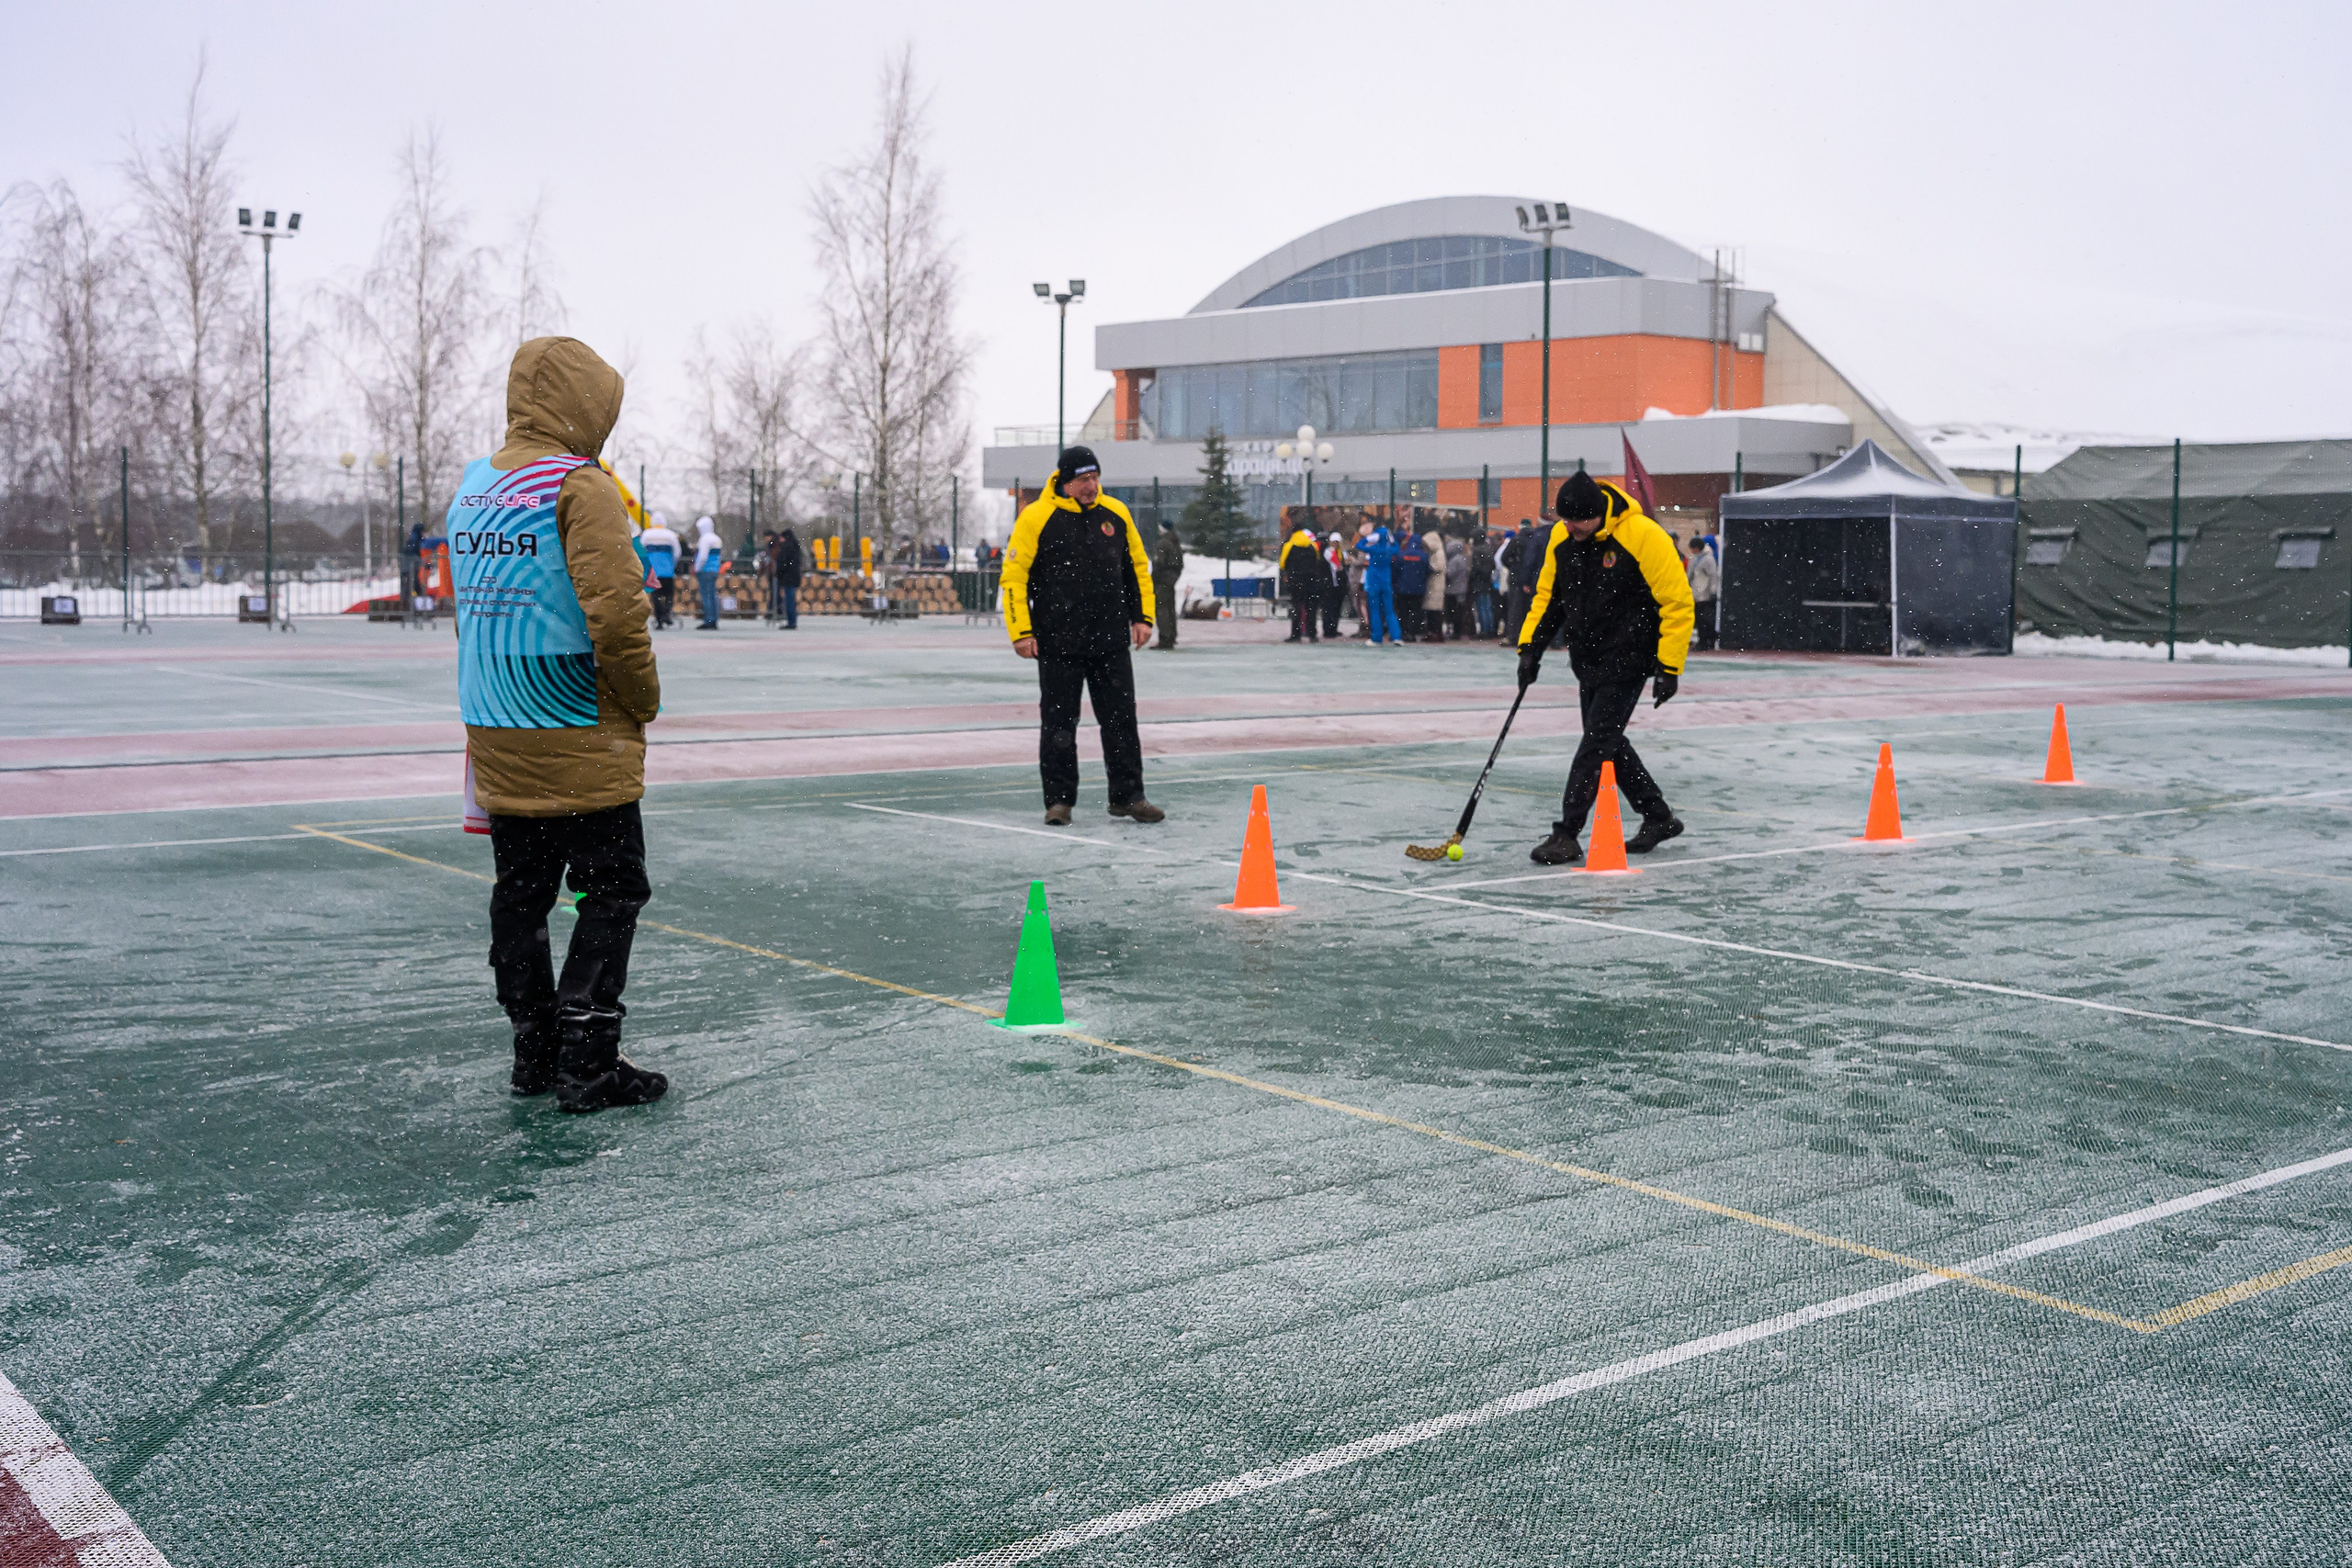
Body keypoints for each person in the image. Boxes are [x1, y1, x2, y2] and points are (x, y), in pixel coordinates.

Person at [449, 336, 666, 1114]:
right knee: (612, 887)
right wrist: (642, 697)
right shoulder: (582, 486)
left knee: (522, 891)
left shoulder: (475, 485)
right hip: (576, 723)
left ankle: (534, 1050)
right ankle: (589, 1058)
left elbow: (469, 612)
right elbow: (616, 615)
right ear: (586, 405)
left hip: (496, 722)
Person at [1516, 471, 1695, 865]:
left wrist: (1669, 667)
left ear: (1598, 513)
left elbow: (1677, 603)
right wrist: (1530, 649)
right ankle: (1658, 816)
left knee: (1596, 744)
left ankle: (1567, 833)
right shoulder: (1563, 538)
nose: (1570, 528)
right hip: (1588, 657)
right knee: (1606, 741)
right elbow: (1549, 598)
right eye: (1565, 520)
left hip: (1630, 656)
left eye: (1578, 521)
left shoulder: (1643, 536)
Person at [1002, 446, 1164, 826]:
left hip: (1110, 641)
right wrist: (1021, 632)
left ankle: (1128, 796)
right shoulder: (1036, 517)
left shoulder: (1116, 513)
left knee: (1121, 721)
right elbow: (1014, 579)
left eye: (1095, 477)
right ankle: (1059, 802)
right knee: (1059, 726)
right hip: (1058, 643)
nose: (1092, 486)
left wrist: (1143, 618)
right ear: (1065, 481)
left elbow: (1136, 569)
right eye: (1083, 479)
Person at [1356, 519, 1400, 646]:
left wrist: (1368, 538)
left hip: (1373, 582)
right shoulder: (1389, 550)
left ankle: (1377, 638)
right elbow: (1397, 548)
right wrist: (1392, 540)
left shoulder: (1374, 549)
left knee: (1375, 611)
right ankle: (1396, 636)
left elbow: (1359, 545)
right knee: (1389, 611)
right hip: (1386, 582)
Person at [1279, 518, 1322, 643]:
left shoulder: (1289, 546)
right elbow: (1317, 561)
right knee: (1311, 608)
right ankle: (1312, 634)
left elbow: (1282, 563)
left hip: (1296, 581)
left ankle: (1296, 634)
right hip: (1311, 580)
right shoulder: (1312, 545)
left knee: (1297, 607)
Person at [639, 513, 681, 628]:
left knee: (656, 596)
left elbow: (641, 551)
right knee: (669, 594)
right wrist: (672, 564)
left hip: (653, 572)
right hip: (667, 570)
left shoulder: (647, 535)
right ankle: (666, 613)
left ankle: (659, 620)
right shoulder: (670, 535)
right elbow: (677, 552)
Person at [1149, 519, 1184, 649]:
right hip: (1171, 580)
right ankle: (1171, 636)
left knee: (1162, 609)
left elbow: (1158, 563)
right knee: (1170, 608)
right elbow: (1179, 563)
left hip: (1162, 581)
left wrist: (1154, 578)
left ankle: (1165, 638)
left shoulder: (1162, 544)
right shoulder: (1175, 542)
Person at [1395, 526, 1428, 641]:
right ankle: (1413, 632)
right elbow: (1427, 570)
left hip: (1402, 588)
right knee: (1416, 611)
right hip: (1418, 589)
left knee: (1403, 611)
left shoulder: (1402, 555)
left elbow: (1396, 570)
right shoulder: (1423, 556)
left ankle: (1404, 632)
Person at [691, 515, 724, 629]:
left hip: (705, 570)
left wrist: (697, 568)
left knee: (706, 596)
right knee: (712, 595)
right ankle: (714, 618)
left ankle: (709, 620)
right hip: (714, 570)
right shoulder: (716, 539)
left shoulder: (705, 539)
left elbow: (703, 557)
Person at [1690, 531, 1720, 651]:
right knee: (1700, 619)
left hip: (1704, 594)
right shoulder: (1695, 558)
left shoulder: (1708, 559)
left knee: (1703, 620)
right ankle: (1706, 640)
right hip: (1696, 593)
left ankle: (1705, 641)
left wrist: (1713, 591)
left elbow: (1713, 576)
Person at [771, 525, 803, 629]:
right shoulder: (795, 547)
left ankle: (791, 622)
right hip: (794, 577)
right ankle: (792, 621)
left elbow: (782, 563)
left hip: (788, 578)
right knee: (791, 601)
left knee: (789, 601)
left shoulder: (786, 548)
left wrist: (778, 574)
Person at [1470, 528, 1499, 639]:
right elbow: (1493, 565)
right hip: (1487, 581)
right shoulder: (1488, 548)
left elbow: (1476, 567)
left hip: (1479, 582)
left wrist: (1472, 577)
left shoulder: (1476, 550)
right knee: (1487, 607)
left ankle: (1484, 630)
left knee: (1481, 607)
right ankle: (1489, 629)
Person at [1443, 529, 1470, 640]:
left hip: (1453, 590)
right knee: (1459, 611)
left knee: (1453, 612)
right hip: (1461, 589)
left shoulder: (1454, 560)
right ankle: (1458, 631)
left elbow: (1449, 574)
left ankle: (1455, 632)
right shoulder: (1463, 558)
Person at [1321, 532, 1347, 638]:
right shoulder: (1328, 552)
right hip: (1330, 583)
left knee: (1337, 607)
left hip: (1339, 584)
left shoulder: (1342, 553)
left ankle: (1334, 628)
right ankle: (1328, 630)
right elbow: (1336, 566)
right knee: (1328, 608)